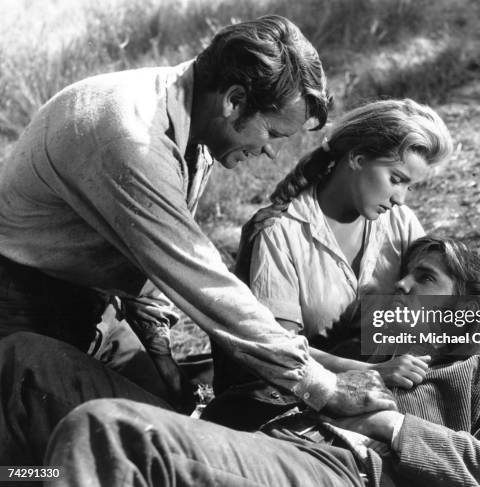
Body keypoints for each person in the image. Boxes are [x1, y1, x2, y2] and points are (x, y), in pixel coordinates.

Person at [0, 15, 394, 415]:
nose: (272, 152)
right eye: (272, 134)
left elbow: (149, 258)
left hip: (94, 302)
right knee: (132, 440)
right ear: (234, 100)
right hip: (21, 304)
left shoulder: (195, 118)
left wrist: (158, 348)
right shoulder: (134, 140)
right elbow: (200, 278)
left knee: (173, 413)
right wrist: (319, 385)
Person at [42, 237, 480, 487]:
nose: (404, 286)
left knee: (105, 430)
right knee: (29, 361)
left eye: (426, 277)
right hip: (255, 440)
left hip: (339, 467)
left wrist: (391, 423)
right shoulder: (370, 355)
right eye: (405, 275)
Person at [208, 98, 453, 428]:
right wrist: (369, 371)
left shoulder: (401, 223)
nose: (400, 198)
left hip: (380, 390)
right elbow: (278, 353)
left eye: (409, 185)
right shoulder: (280, 232)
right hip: (287, 402)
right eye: (396, 179)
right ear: (357, 158)